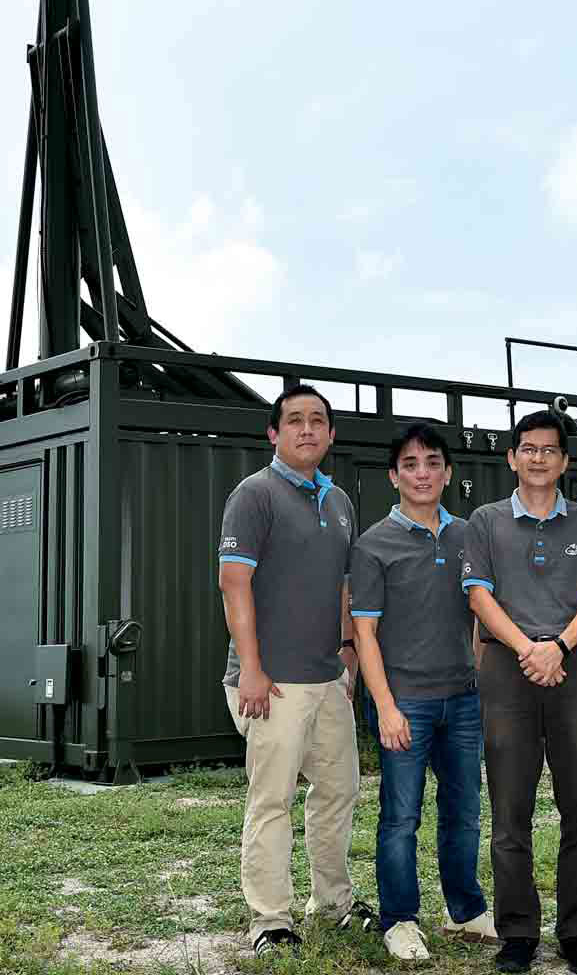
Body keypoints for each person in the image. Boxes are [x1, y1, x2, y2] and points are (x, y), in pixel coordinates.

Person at [217, 386, 372, 954]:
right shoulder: (254, 495)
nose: (307, 429)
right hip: (272, 682)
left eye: (317, 421)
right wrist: (251, 669)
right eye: (295, 420)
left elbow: (345, 586)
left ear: (331, 434)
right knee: (272, 800)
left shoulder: (339, 501)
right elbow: (234, 583)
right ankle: (270, 919)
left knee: (338, 791)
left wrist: (348, 648)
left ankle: (332, 903)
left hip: (328, 678)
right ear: (274, 433)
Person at [462, 409, 577, 975]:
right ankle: (518, 933)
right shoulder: (485, 521)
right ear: (512, 457)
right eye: (528, 448)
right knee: (510, 812)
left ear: (565, 460)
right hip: (509, 670)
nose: (538, 458)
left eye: (549, 450)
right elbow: (479, 596)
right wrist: (529, 648)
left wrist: (559, 648)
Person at [351, 423, 500, 962]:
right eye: (410, 465)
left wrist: (477, 682)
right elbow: (364, 633)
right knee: (401, 818)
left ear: (448, 473)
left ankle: (465, 912)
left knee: (464, 812)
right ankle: (400, 920)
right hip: (403, 703)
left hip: (461, 700)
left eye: (433, 463)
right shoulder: (373, 545)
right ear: (394, 476)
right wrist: (386, 707)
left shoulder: (469, 536)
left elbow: (482, 615)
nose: (422, 473)